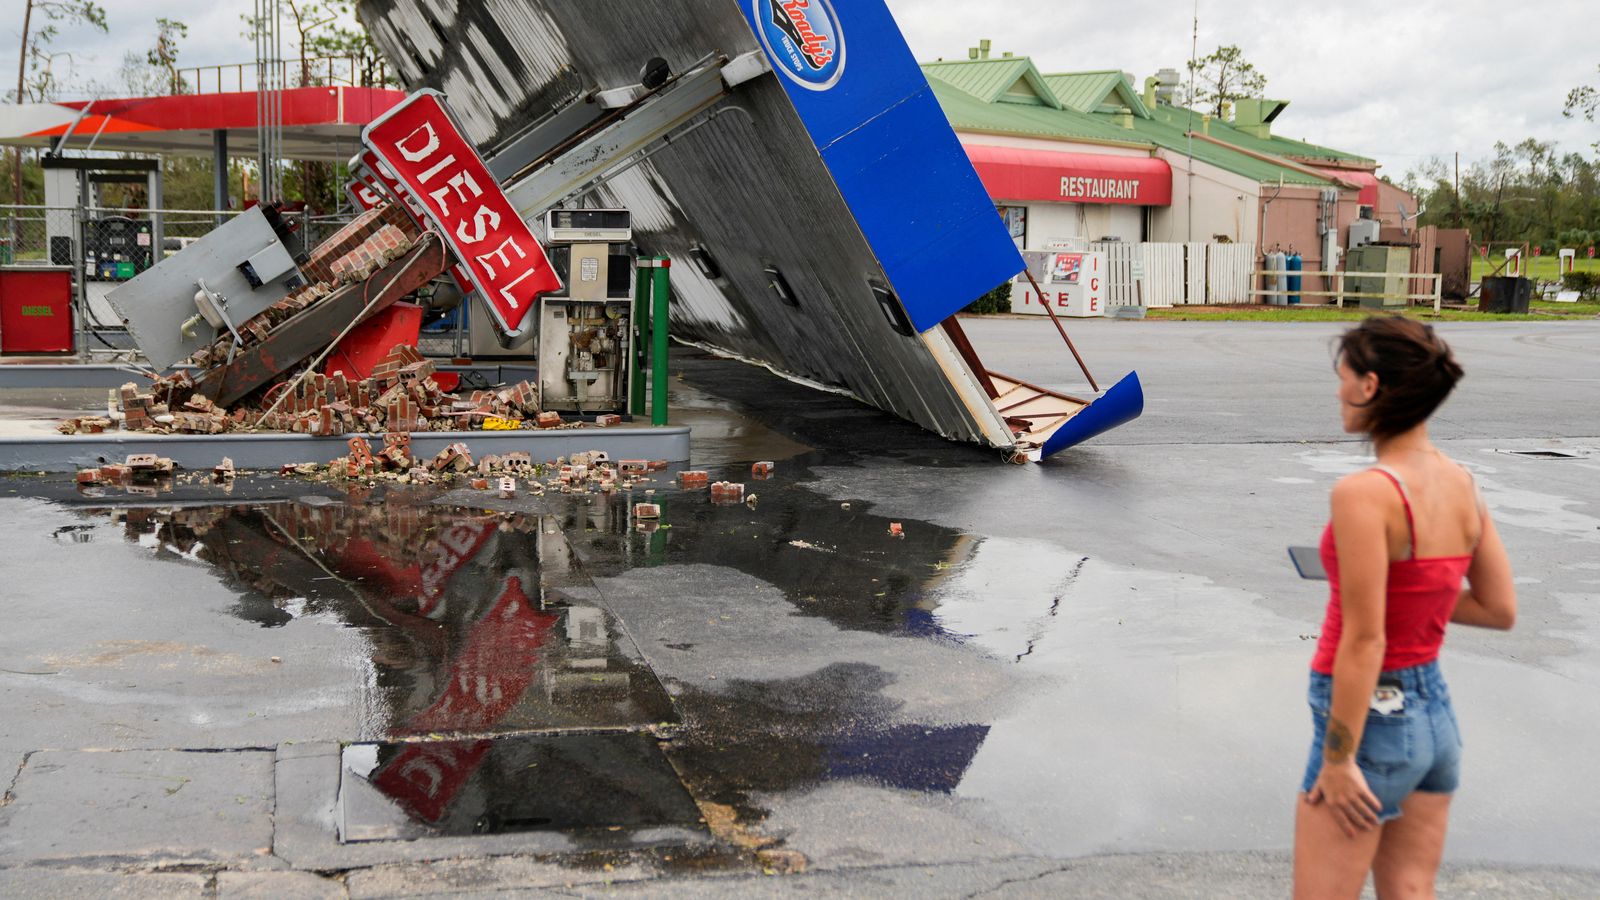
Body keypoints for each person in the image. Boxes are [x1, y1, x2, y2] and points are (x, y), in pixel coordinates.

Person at [1294, 316, 1517, 899]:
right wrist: (1412, 601)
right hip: (1434, 722)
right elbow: (1498, 608)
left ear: (1369, 386)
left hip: (1369, 726)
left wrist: (1341, 761)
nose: (1337, 392)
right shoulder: (1461, 482)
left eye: (1342, 377)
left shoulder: (1366, 493)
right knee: (1411, 891)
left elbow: (1366, 642)